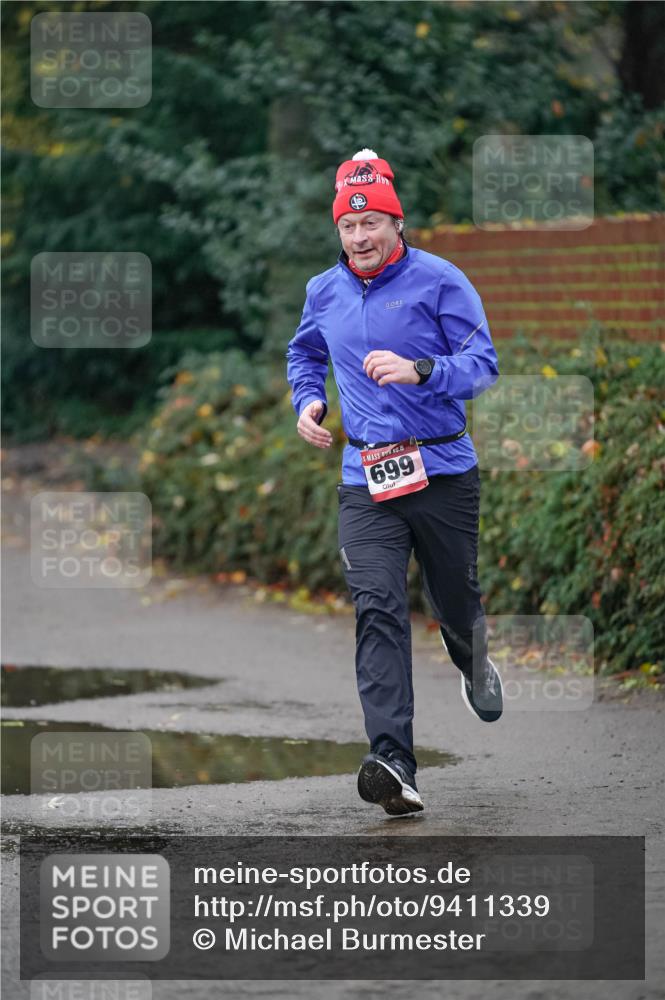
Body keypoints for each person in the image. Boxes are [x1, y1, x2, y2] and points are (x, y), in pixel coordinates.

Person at [286, 149, 503, 817]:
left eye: (371, 225)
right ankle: (392, 762)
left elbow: (482, 364)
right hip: (366, 476)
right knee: (376, 606)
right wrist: (307, 402)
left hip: (441, 470)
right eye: (348, 229)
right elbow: (304, 351)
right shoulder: (324, 289)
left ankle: (470, 656)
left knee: (454, 596)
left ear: (395, 223)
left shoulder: (440, 281)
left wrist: (422, 370)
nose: (360, 239)